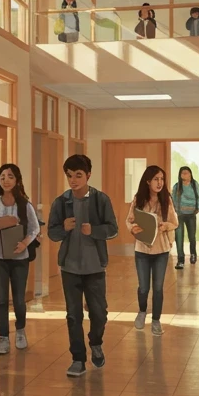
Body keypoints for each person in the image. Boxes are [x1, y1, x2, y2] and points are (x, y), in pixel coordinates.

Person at [48, 154, 118, 377]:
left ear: (88, 175)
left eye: (78, 175)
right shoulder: (61, 202)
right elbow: (52, 232)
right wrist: (64, 228)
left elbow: (113, 229)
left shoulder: (100, 200)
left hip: (95, 267)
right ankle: (77, 358)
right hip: (70, 268)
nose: (73, 180)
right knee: (73, 315)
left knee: (100, 314)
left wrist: (94, 231)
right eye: (69, 176)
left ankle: (95, 342)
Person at [0, 163, 41, 356]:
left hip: (19, 257)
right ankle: (3, 338)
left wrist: (24, 243)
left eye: (10, 176)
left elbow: (35, 228)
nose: (6, 180)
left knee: (19, 299)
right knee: (1, 300)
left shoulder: (24, 204)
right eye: (2, 177)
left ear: (17, 180)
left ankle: (20, 331)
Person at [126, 165, 179, 335]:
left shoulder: (166, 200)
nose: (160, 182)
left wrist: (165, 226)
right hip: (142, 249)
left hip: (161, 250)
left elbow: (174, 222)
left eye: (162, 179)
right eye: (156, 179)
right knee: (143, 287)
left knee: (158, 287)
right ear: (148, 181)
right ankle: (142, 312)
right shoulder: (138, 200)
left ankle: (156, 320)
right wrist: (132, 228)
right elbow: (129, 220)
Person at [172, 166, 199, 269]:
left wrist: (198, 208)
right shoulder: (177, 186)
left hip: (191, 214)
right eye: (182, 173)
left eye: (186, 173)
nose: (185, 175)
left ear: (190, 174)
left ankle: (193, 254)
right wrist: (175, 211)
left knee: (192, 237)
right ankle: (180, 260)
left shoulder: (195, 185)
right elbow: (173, 199)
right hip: (180, 214)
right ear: (180, 175)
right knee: (179, 237)